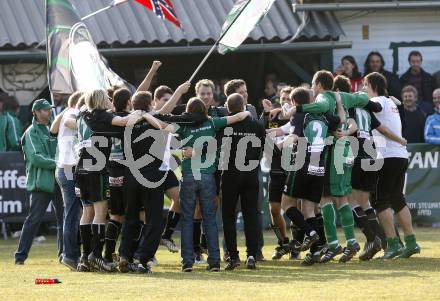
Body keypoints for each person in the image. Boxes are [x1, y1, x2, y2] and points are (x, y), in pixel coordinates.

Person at [290, 70, 383, 263]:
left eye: (314, 86)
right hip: (348, 149)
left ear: (318, 84)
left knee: (325, 198)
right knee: (342, 198)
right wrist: (370, 104)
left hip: (333, 150)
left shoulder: (324, 96)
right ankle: (351, 242)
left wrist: (298, 109)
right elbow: (362, 97)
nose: (313, 90)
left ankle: (333, 245)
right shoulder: (344, 96)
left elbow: (322, 105)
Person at [172, 97, 251, 272]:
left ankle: (187, 262)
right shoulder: (213, 123)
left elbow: (163, 127)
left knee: (187, 219)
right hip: (208, 176)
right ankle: (214, 262)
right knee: (209, 220)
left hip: (189, 175)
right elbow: (239, 116)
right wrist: (247, 109)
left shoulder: (183, 126)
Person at [334, 76, 407, 260]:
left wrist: (343, 132)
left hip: (356, 154)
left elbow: (350, 124)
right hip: (371, 155)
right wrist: (400, 140)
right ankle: (392, 240)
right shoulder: (365, 108)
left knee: (350, 202)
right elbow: (382, 127)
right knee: (369, 202)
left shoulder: (347, 105)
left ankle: (374, 238)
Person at [74, 89, 142, 272]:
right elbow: (124, 121)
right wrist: (138, 112)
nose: (110, 100)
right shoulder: (101, 114)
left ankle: (84, 258)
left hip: (80, 167)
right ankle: (96, 256)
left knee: (86, 212)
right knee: (100, 212)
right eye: (107, 98)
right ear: (100, 100)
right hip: (96, 167)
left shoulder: (82, 115)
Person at [366, 72, 421, 259]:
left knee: (380, 202)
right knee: (398, 199)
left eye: (365, 86)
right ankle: (411, 242)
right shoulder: (392, 102)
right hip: (400, 156)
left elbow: (380, 123)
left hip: (387, 156)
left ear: (372, 84)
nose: (364, 90)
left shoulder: (380, 101)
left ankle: (393, 244)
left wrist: (356, 100)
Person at [14, 99, 64, 265]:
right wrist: (58, 163)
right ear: (36, 112)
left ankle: (64, 255)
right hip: (41, 184)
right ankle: (20, 257)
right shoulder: (31, 132)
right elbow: (36, 158)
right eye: (45, 110)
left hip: (58, 181)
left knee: (64, 219)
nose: (49, 112)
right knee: (33, 220)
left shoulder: (53, 129)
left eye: (49, 109)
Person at [220, 93, 266, 271]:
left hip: (231, 174)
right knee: (251, 216)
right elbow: (267, 147)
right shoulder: (256, 125)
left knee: (228, 216)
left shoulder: (226, 125)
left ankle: (233, 256)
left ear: (228, 108)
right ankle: (252, 255)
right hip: (251, 175)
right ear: (245, 106)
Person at [50, 92, 82, 270]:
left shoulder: (66, 112)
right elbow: (70, 122)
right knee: (72, 214)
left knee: (71, 213)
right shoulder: (73, 113)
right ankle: (70, 255)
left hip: (63, 167)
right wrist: (86, 127)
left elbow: (52, 130)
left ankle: (69, 253)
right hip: (69, 168)